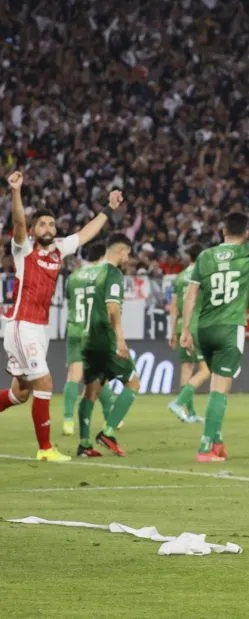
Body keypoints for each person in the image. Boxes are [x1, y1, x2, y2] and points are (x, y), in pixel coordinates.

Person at [0, 171, 122, 462]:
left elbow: (86, 233)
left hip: (40, 330)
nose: (48, 227)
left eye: (51, 223)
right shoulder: (24, 248)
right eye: (42, 223)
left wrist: (108, 209)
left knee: (20, 393)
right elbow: (18, 222)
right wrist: (16, 191)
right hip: (21, 325)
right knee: (45, 383)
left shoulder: (58, 249)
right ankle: (45, 449)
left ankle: (43, 444)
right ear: (33, 230)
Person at [180, 174, 249, 463]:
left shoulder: (205, 256)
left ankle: (218, 441)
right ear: (246, 232)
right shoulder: (248, 251)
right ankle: (205, 448)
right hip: (229, 328)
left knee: (216, 382)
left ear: (223, 230)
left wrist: (185, 329)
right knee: (220, 389)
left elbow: (190, 295)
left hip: (204, 328)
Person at [77, 234, 141, 457]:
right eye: (128, 253)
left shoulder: (88, 273)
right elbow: (112, 308)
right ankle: (108, 432)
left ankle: (84, 444)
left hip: (87, 338)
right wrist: (120, 340)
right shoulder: (112, 273)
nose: (128, 258)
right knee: (133, 382)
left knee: (91, 392)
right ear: (121, 250)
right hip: (105, 339)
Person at [61, 242, 118, 436]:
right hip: (94, 333)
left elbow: (70, 301)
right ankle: (112, 417)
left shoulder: (74, 277)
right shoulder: (104, 275)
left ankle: (68, 421)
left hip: (75, 330)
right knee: (100, 378)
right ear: (103, 256)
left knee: (73, 376)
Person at [167, 244, 210, 424]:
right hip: (195, 325)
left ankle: (190, 412)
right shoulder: (202, 275)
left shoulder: (179, 278)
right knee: (205, 370)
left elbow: (174, 307)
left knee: (186, 368)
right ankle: (179, 403)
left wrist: (173, 332)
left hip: (180, 326)